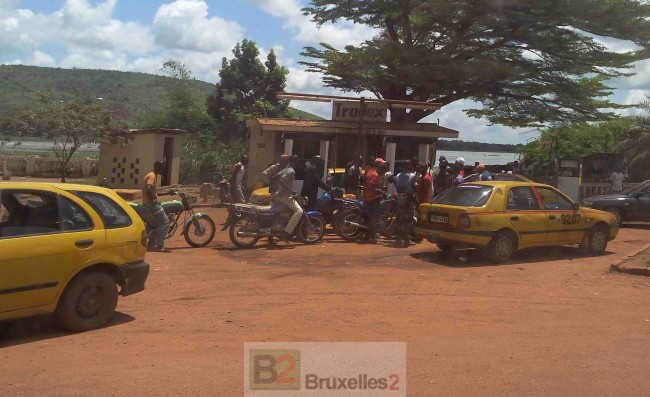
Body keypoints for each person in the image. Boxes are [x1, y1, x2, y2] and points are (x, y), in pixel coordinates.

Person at [142, 160, 171, 253]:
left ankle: (151, 243)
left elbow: (153, 190)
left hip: (147, 204)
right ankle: (160, 245)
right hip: (151, 205)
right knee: (165, 222)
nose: (163, 169)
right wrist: (153, 200)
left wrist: (166, 193)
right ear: (157, 167)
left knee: (156, 224)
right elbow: (149, 188)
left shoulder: (151, 175)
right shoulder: (152, 176)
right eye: (162, 167)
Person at [273, 156, 304, 242]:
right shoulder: (291, 171)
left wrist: (276, 189)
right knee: (299, 211)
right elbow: (281, 180)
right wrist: (292, 191)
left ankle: (275, 230)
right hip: (285, 196)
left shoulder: (286, 169)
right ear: (295, 162)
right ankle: (286, 232)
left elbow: (275, 177)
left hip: (278, 195)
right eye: (297, 162)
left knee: (285, 212)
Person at [361, 158, 385, 244]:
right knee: (375, 219)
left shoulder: (369, 171)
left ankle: (367, 237)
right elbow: (371, 186)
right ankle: (373, 237)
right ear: (379, 166)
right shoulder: (375, 175)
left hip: (367, 198)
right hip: (373, 199)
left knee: (368, 219)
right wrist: (381, 191)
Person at [394, 161, 417, 247]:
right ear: (409, 166)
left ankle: (398, 240)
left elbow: (396, 187)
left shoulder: (398, 176)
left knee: (399, 222)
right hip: (408, 202)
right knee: (408, 222)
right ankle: (406, 240)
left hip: (399, 202)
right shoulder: (412, 176)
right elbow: (415, 188)